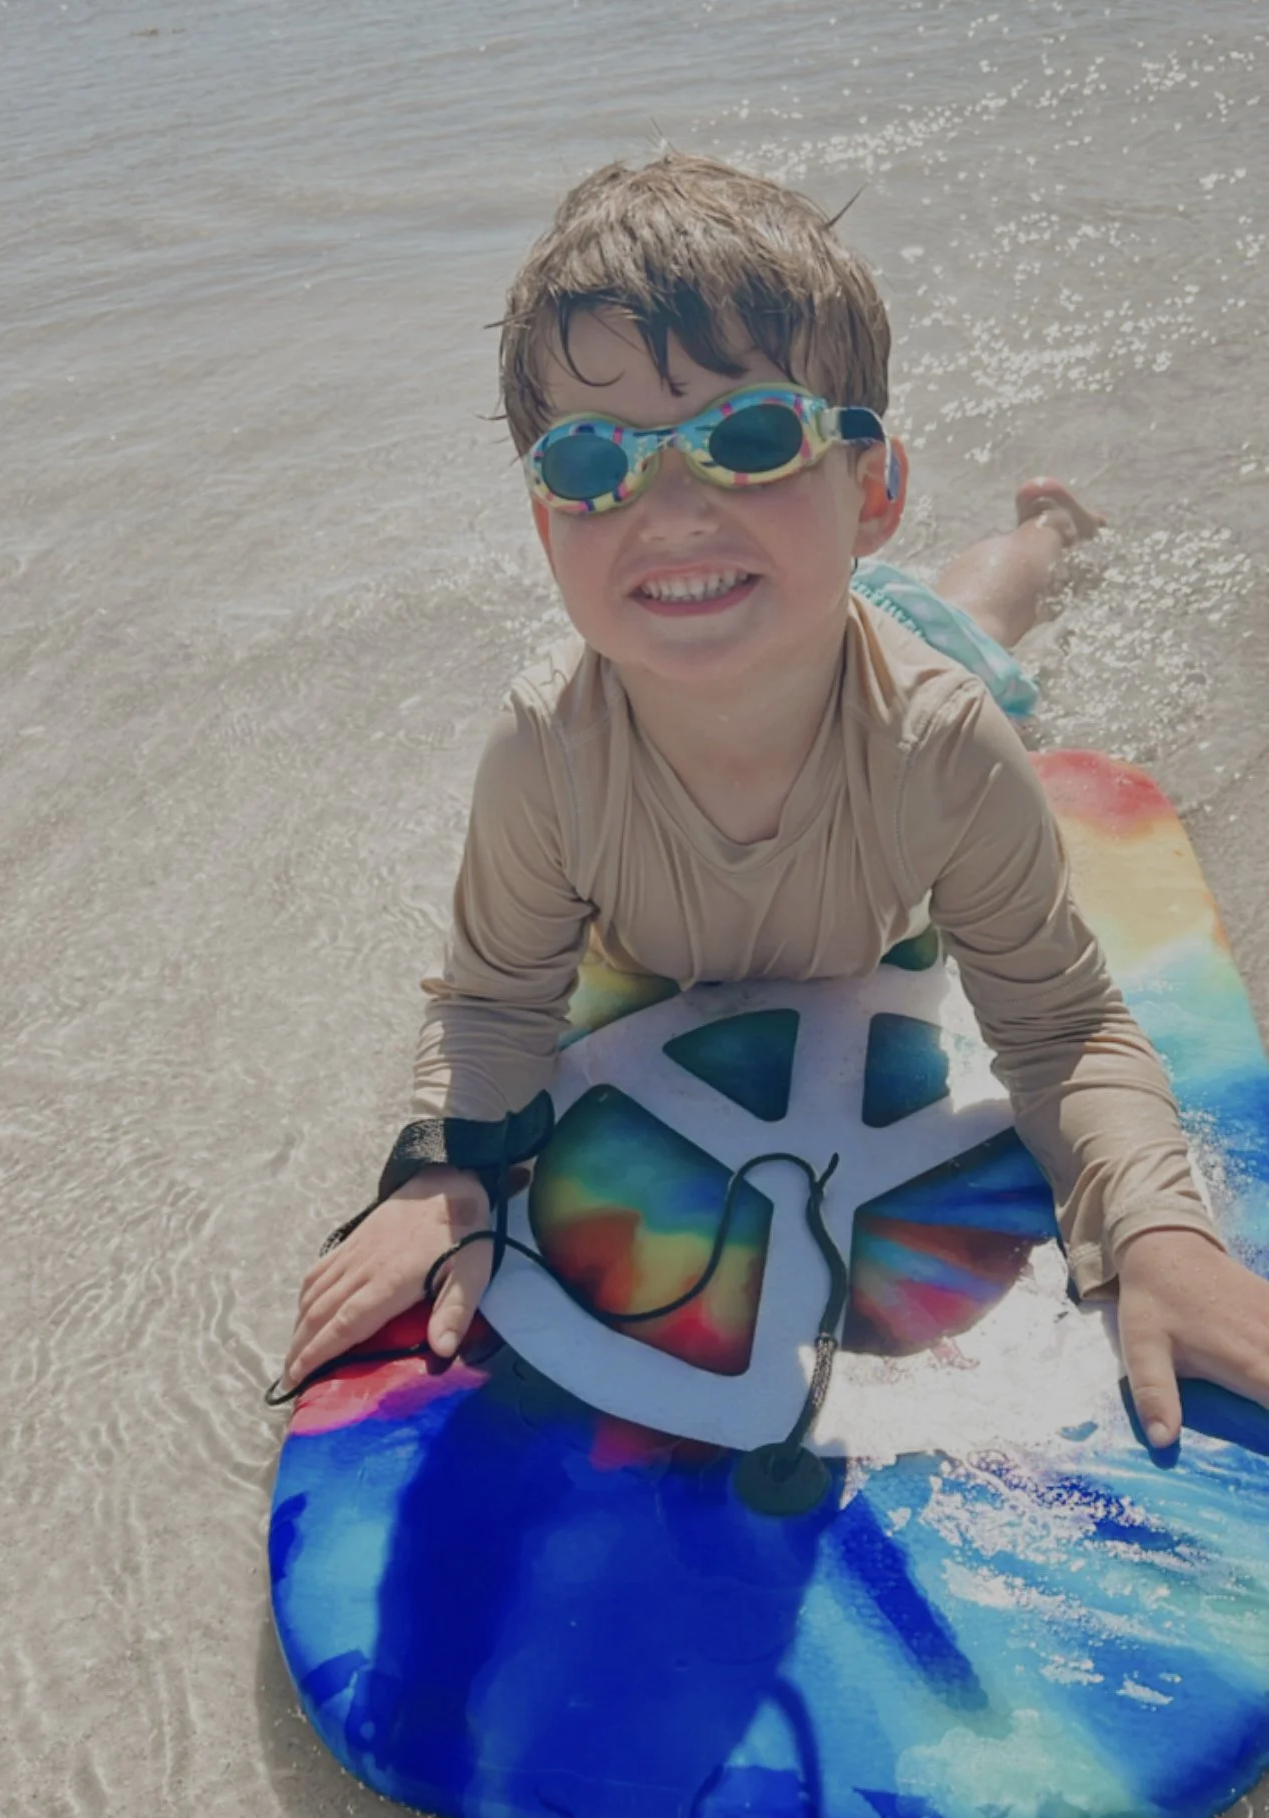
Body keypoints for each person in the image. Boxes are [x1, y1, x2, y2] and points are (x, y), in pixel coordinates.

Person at [281, 151, 1269, 1451]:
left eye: (749, 438)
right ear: (543, 523)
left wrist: (1157, 1230)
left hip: (895, 647)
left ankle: (1045, 530)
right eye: (594, 460)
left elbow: (1062, 1024)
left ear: (872, 489)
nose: (671, 510)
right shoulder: (549, 751)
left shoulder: (945, 747)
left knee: (979, 612)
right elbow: (493, 1000)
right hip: (797, 592)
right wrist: (442, 1168)